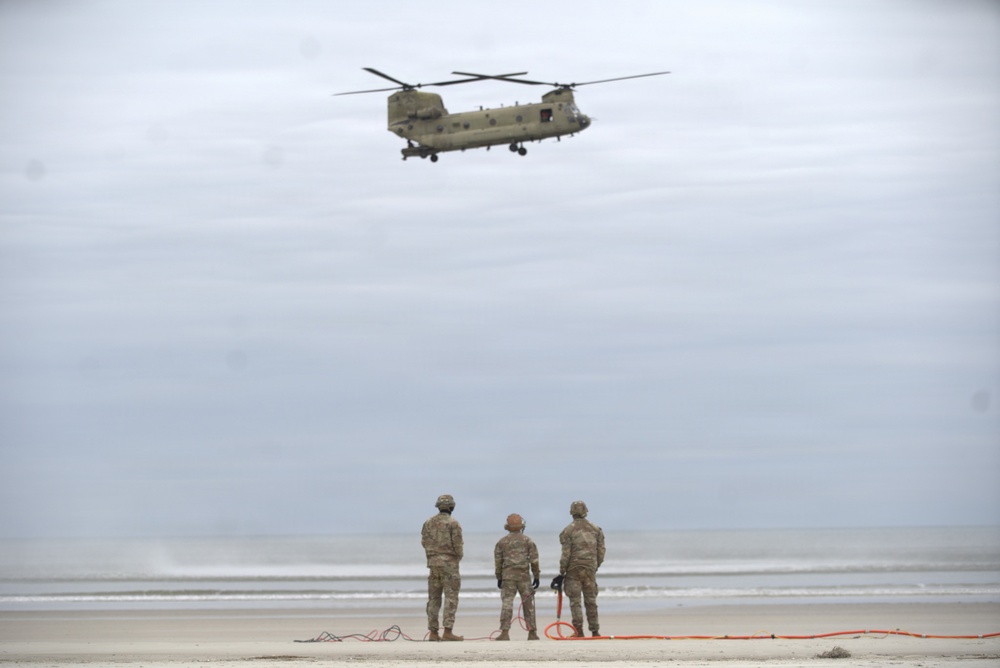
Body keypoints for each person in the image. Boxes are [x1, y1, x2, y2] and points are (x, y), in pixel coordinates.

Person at [552, 500, 605, 637]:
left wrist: (562, 571)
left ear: (571, 512)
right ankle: (595, 631)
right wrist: (594, 566)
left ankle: (579, 631)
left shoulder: (568, 530)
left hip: (573, 570)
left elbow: (566, 554)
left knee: (575, 602)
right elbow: (601, 551)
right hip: (589, 568)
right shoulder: (596, 529)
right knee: (591, 600)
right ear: (585, 511)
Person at [421, 493, 464, 641]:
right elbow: (458, 546)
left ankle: (433, 632)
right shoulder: (453, 523)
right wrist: (456, 558)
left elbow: (424, 542)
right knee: (450, 598)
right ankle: (448, 631)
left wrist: (433, 556)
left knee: (434, 598)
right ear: (452, 507)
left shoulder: (428, 522)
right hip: (449, 565)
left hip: (433, 564)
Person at [493, 513, 541, 641]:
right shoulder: (528, 541)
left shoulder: (502, 542)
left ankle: (504, 632)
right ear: (521, 526)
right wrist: (536, 576)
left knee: (507, 604)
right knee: (528, 604)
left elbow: (498, 561)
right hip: (524, 577)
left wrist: (499, 577)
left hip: (508, 576)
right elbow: (534, 561)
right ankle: (532, 633)